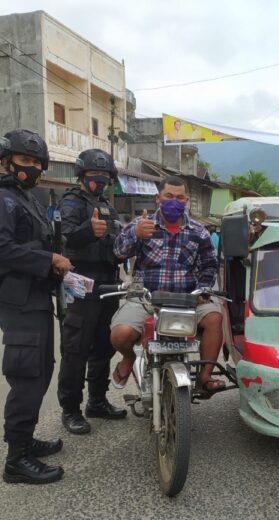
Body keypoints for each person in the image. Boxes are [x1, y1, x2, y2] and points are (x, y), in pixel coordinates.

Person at [0, 129, 71, 484]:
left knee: (41, 370)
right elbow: (0, 249)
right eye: (25, 161)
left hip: (35, 296)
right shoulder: (2, 200)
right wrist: (47, 257)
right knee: (27, 375)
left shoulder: (26, 198)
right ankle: (16, 460)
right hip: (17, 298)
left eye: (37, 162)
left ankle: (24, 440)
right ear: (7, 162)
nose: (32, 167)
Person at [110, 176, 224, 392]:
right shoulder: (141, 224)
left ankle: (204, 377)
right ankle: (128, 358)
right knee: (120, 334)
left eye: (180, 198)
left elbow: (210, 265)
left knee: (214, 318)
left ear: (186, 200)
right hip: (146, 300)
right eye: (168, 196)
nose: (174, 201)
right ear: (157, 199)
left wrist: (204, 288)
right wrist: (135, 234)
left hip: (188, 299)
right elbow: (117, 253)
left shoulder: (199, 232)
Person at [56, 149, 127, 435]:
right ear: (82, 176)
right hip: (80, 283)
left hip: (108, 283)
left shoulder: (108, 206)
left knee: (104, 346)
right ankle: (71, 409)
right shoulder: (71, 202)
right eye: (94, 176)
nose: (99, 180)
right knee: (76, 349)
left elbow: (118, 241)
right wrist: (89, 230)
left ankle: (97, 401)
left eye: (105, 176)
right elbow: (64, 236)